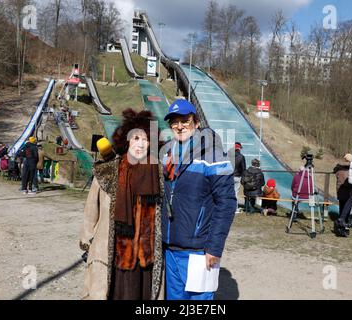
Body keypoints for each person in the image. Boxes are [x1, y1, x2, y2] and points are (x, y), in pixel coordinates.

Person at [79, 109, 164, 300]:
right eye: (135, 138)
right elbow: (92, 208)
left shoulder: (157, 173)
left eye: (145, 139)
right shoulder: (108, 171)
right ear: (126, 141)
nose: (140, 144)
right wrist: (87, 238)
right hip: (112, 252)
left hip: (145, 259)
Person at [162, 99, 236, 300]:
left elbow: (227, 202)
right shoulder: (167, 154)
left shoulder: (214, 154)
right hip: (170, 249)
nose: (179, 126)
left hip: (199, 253)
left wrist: (214, 247)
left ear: (196, 123)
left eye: (185, 120)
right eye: (175, 121)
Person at [333, 155, 352, 223]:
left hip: (340, 187)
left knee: (342, 204)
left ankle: (341, 218)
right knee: (348, 204)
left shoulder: (339, 167)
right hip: (349, 187)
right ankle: (345, 219)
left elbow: (335, 173)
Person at [228, 142, 246, 213]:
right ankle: (234, 208)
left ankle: (227, 207)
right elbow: (244, 168)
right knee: (235, 193)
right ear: (239, 148)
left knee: (228, 192)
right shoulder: (241, 157)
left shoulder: (228, 155)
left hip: (229, 176)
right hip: (237, 176)